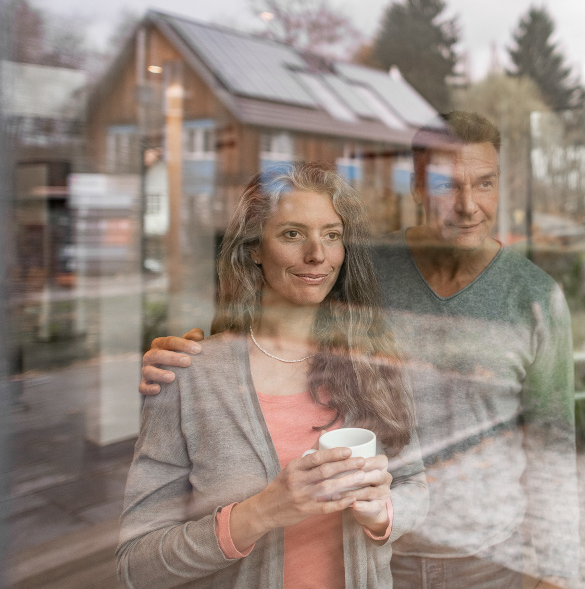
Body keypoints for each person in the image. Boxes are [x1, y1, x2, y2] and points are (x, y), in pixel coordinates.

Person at [141, 112, 578, 588]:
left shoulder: (536, 298)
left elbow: (553, 443)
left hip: (489, 560)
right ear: (415, 188)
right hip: (373, 560)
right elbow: (272, 322)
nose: (468, 205)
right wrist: (188, 356)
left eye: (485, 183)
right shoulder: (362, 266)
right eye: (446, 185)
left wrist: (554, 572)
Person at [119, 162, 426, 588]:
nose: (317, 254)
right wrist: (261, 512)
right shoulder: (189, 378)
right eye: (292, 234)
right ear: (254, 249)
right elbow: (137, 565)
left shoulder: (374, 361)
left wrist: (382, 513)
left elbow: (415, 485)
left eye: (331, 235)